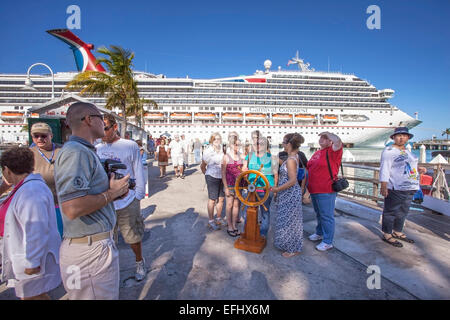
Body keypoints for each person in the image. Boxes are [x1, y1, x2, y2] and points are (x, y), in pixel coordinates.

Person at [54, 102, 130, 300]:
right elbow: (72, 207)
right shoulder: (76, 152)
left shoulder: (84, 151)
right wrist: (111, 194)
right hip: (89, 252)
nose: (104, 123)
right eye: (100, 118)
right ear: (88, 120)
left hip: (89, 246)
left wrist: (115, 191)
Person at [0, 147, 61, 300]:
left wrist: (33, 262)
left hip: (31, 259)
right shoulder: (23, 188)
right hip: (26, 255)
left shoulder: (31, 191)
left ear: (7, 170)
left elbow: (36, 229)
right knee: (34, 296)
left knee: (32, 296)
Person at [96, 114, 147, 281]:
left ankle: (139, 261)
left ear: (115, 127)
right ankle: (111, 268)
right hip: (106, 201)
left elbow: (138, 169)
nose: (102, 132)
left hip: (127, 200)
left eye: (105, 128)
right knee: (109, 239)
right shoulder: (98, 149)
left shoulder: (129, 145)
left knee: (133, 236)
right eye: (100, 129)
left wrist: (138, 195)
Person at [379, 127, 427, 247]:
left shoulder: (407, 152)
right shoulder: (389, 151)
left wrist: (419, 169)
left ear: (408, 138)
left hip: (410, 186)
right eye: (399, 135)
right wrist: (383, 185)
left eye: (404, 135)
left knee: (403, 211)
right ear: (394, 137)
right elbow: (385, 168)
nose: (402, 138)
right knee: (390, 211)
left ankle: (397, 231)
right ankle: (387, 234)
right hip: (396, 186)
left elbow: (409, 166)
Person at [306, 131, 343, 252]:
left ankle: (328, 241)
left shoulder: (333, 152)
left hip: (326, 189)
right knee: (319, 213)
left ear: (330, 141)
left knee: (327, 216)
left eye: (325, 138)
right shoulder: (317, 152)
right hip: (314, 189)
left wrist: (328, 133)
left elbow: (338, 142)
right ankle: (319, 232)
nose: (322, 139)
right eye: (321, 137)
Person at [270, 134, 304, 258]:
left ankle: (292, 249)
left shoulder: (291, 159)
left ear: (289, 144)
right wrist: (277, 160)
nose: (283, 144)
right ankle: (292, 245)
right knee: (290, 220)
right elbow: (289, 167)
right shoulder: (294, 157)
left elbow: (292, 180)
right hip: (289, 193)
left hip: (289, 194)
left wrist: (277, 189)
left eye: (284, 142)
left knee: (289, 222)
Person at [242, 135, 278, 239]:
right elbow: (245, 168)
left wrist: (275, 189)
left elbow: (275, 174)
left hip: (267, 189)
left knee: (265, 212)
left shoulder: (272, 157)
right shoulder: (249, 156)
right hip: (252, 189)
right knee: (250, 210)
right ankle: (247, 231)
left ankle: (263, 234)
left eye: (261, 143)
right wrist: (244, 172)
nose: (258, 145)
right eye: (256, 143)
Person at [201, 132, 225, 230]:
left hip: (221, 176)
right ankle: (211, 221)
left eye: (219, 139)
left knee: (221, 199)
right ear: (211, 140)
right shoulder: (208, 151)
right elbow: (202, 166)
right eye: (215, 139)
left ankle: (218, 218)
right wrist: (207, 176)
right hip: (212, 176)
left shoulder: (222, 150)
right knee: (212, 199)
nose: (217, 141)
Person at [221, 133, 245, 237]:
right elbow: (223, 173)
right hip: (230, 185)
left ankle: (234, 225)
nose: (237, 147)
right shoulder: (226, 157)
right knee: (229, 205)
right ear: (231, 145)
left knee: (236, 205)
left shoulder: (241, 156)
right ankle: (229, 226)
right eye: (236, 145)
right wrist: (225, 187)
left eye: (238, 145)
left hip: (239, 185)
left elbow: (245, 169)